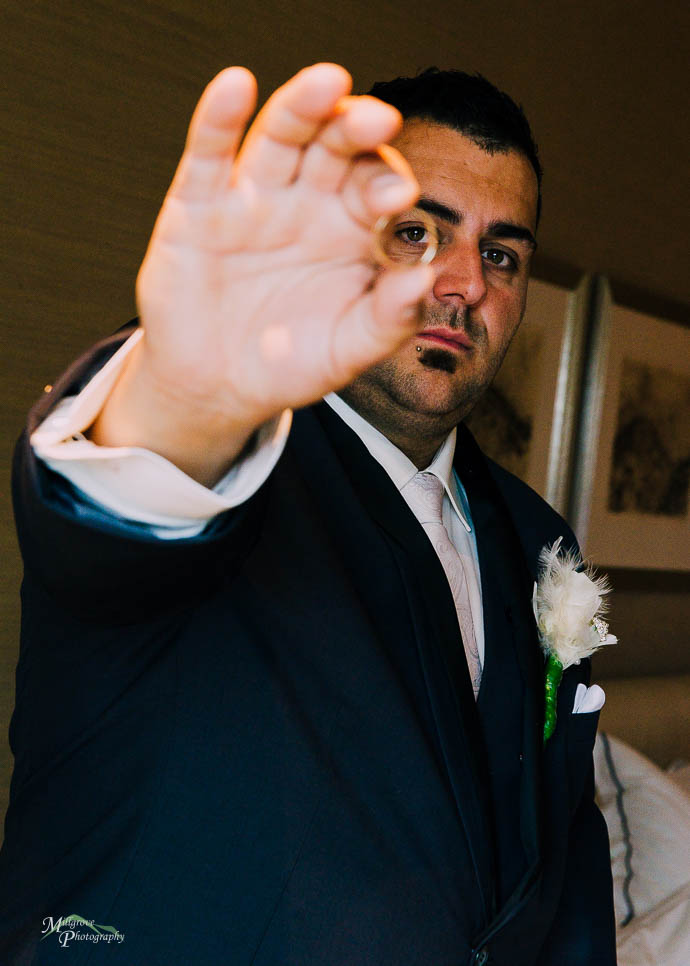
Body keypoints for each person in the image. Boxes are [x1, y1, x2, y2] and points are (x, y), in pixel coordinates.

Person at [2, 63, 616, 965]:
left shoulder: (538, 540)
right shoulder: (221, 471)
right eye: (417, 231)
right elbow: (115, 523)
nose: (460, 284)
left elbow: (561, 864)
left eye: (500, 254)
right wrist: (182, 396)